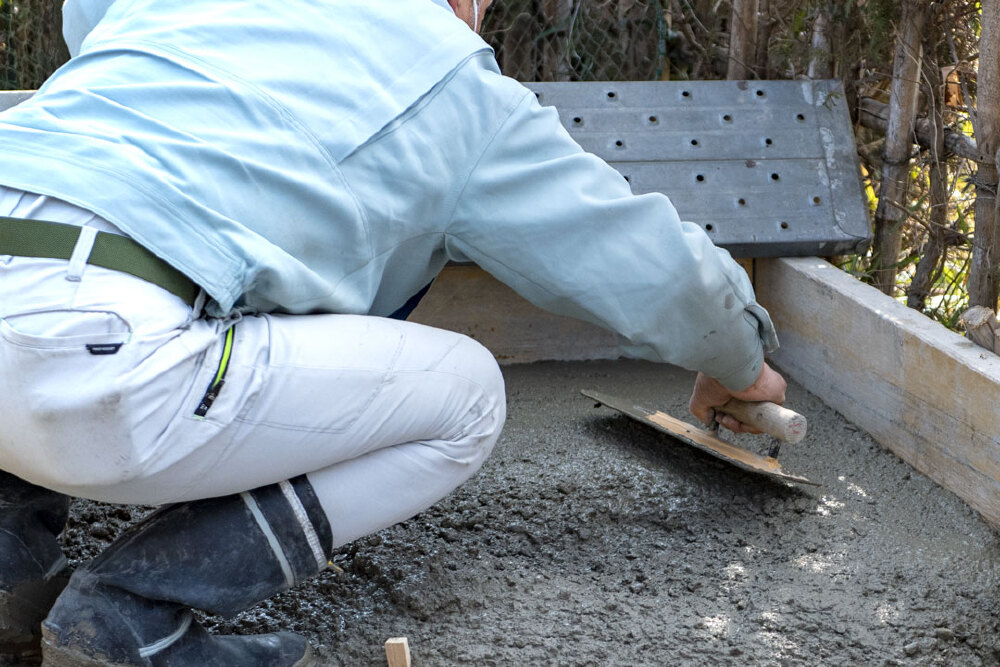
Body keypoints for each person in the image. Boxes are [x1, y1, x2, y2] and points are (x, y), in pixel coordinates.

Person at [0, 0, 786, 664]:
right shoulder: (448, 80)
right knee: (469, 396)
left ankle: (11, 568)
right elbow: (643, 263)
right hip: (97, 361)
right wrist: (741, 363)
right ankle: (131, 615)